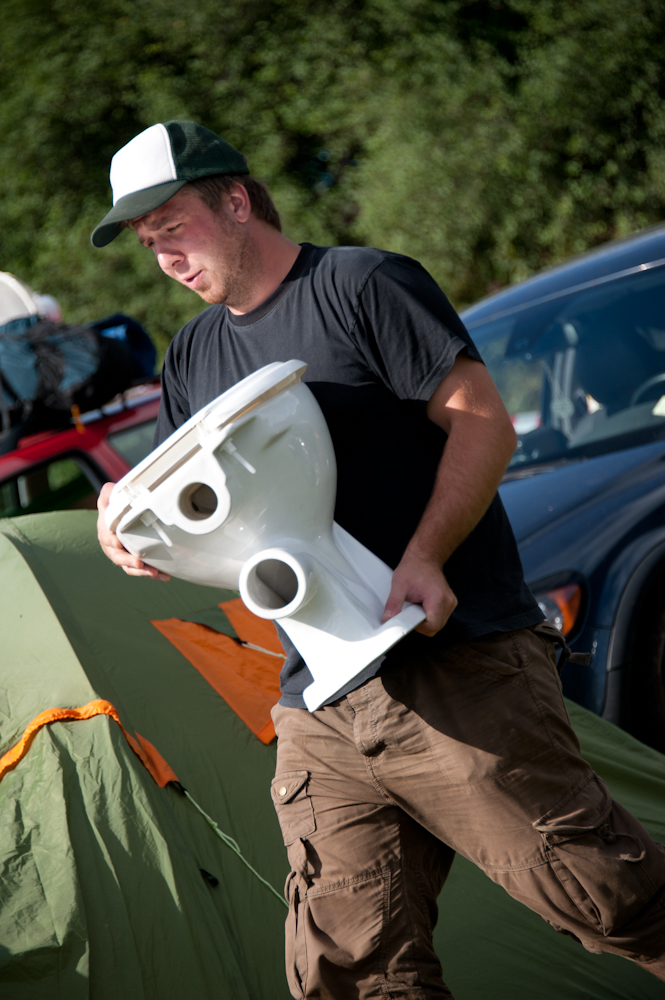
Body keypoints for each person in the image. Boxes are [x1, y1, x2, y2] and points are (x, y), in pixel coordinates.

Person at [94, 121, 665, 997]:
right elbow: (187, 504)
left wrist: (426, 555)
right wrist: (120, 518)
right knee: (350, 973)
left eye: (173, 225)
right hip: (318, 707)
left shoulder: (360, 284)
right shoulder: (192, 355)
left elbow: (482, 420)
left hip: (455, 663)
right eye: (147, 241)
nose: (163, 255)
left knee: (605, 897)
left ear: (236, 200)